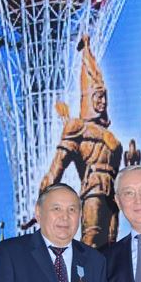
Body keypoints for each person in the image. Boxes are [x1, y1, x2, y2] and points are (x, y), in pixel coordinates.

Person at [39, 35, 122, 248]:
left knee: (111, 248)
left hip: (112, 197)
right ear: (89, 99)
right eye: (98, 97)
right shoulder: (77, 128)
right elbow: (58, 165)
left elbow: (119, 171)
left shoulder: (111, 137)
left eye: (104, 97)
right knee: (91, 242)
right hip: (93, 191)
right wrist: (45, 194)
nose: (103, 102)